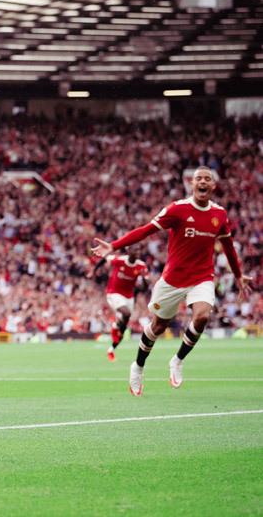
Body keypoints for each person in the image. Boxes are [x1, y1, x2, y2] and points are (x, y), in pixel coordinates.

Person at [92, 167, 252, 396]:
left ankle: (177, 360)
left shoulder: (220, 214)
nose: (203, 182)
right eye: (199, 179)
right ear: (192, 184)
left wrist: (237, 274)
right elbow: (146, 230)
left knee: (202, 316)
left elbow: (227, 245)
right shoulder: (177, 209)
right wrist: (114, 245)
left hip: (202, 277)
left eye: (208, 178)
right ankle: (137, 366)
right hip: (173, 279)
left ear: (213, 186)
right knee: (158, 327)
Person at [90, 246, 148, 362]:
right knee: (126, 313)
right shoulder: (119, 260)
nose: (137, 252)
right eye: (135, 250)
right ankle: (116, 324)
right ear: (128, 251)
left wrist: (144, 279)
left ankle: (111, 349)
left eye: (138, 250)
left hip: (129, 297)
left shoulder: (141, 266)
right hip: (114, 293)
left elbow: (145, 288)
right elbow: (105, 259)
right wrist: (93, 271)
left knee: (123, 328)